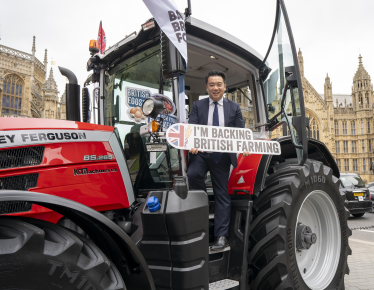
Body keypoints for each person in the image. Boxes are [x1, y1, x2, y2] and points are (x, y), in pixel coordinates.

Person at [187, 70, 250, 251]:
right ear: (207, 87)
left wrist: (244, 144)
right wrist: (192, 143)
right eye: (212, 84)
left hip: (222, 156)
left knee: (222, 194)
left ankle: (221, 237)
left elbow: (240, 131)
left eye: (219, 84)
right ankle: (202, 204)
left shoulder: (234, 107)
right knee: (193, 175)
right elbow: (191, 127)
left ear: (225, 87)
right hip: (201, 153)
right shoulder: (198, 105)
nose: (216, 88)